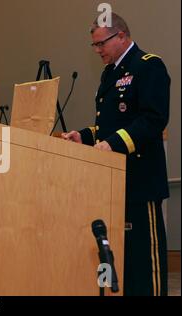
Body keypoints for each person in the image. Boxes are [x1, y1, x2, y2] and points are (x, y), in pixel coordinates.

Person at [62, 13, 170, 296]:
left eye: (101, 44)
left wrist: (113, 144)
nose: (97, 50)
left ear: (121, 36)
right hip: (112, 183)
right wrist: (83, 137)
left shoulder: (149, 66)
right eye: (94, 46)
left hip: (140, 181)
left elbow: (152, 120)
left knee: (145, 265)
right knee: (122, 262)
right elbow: (109, 125)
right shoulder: (111, 73)